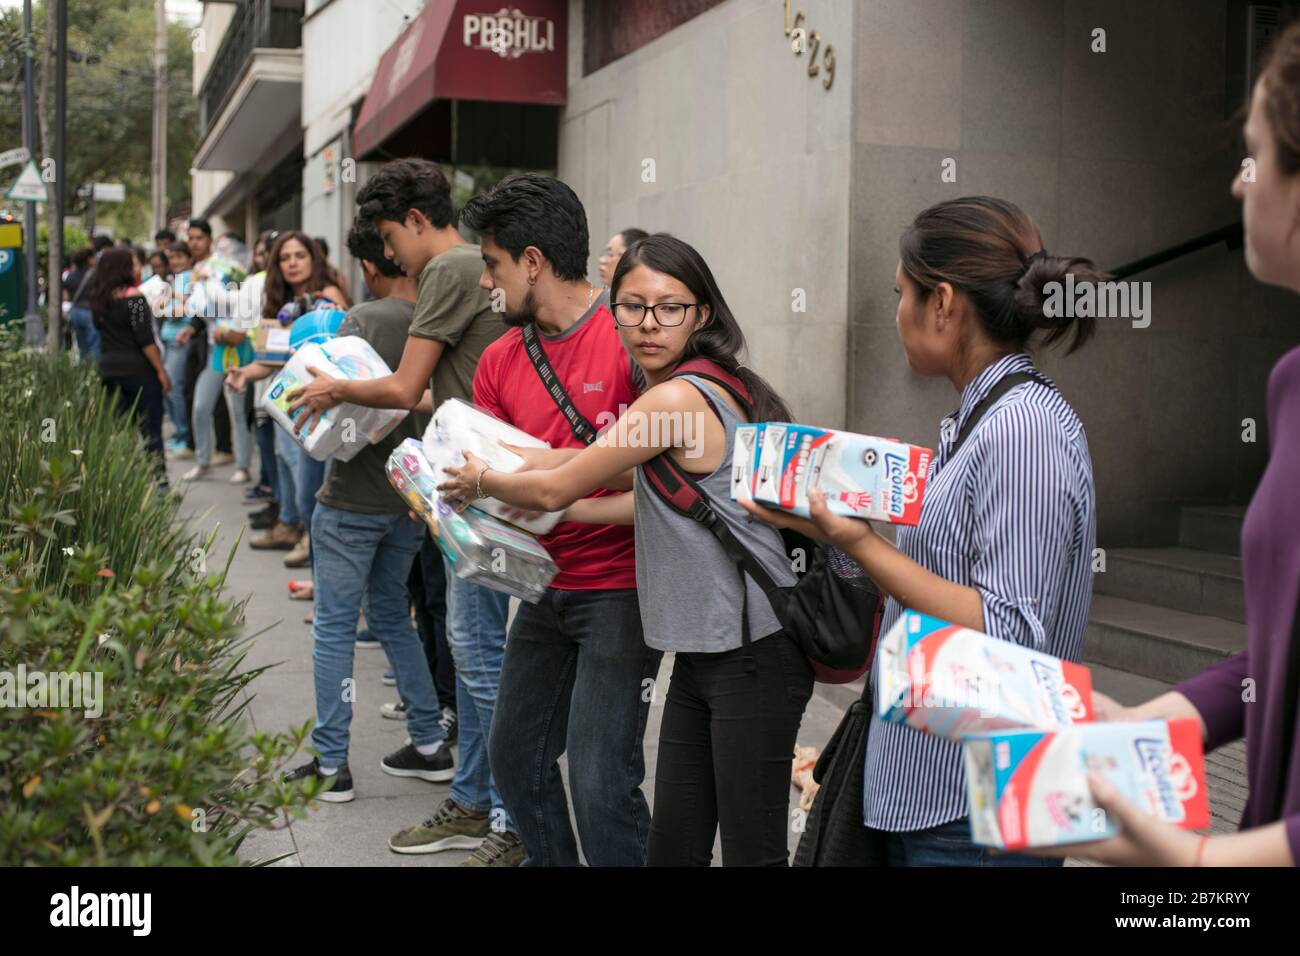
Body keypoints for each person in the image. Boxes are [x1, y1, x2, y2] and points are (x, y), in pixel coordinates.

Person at [746, 196, 1099, 867]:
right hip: (938, 785)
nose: (897, 312)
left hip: (983, 804)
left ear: (942, 303)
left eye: (901, 294)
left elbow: (1009, 630)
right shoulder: (980, 415)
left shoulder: (1024, 428)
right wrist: (819, 524)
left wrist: (858, 542)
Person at [439, 233, 812, 865]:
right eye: (632, 308)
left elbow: (565, 478)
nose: (647, 325)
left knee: (751, 851)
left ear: (702, 316)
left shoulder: (676, 397)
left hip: (754, 650)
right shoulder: (701, 387)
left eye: (669, 308)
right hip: (704, 652)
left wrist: (483, 482)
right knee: (674, 845)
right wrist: (544, 492)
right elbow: (628, 490)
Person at [1031, 23, 1300, 869]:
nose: (1235, 180)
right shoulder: (1292, 383)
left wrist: (1194, 869)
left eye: (1254, 156)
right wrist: (1156, 718)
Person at [286, 158, 518, 865]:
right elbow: (428, 394)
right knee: (470, 650)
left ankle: (503, 813)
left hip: (470, 484)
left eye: (391, 235)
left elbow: (407, 385)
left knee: (481, 660)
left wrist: (335, 394)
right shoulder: (471, 267)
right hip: (465, 478)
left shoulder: (449, 267)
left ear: (418, 221)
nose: (389, 254)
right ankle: (475, 798)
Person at [435, 173, 661, 866]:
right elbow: (502, 483)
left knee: (600, 778)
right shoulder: (500, 360)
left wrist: (554, 475)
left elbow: (668, 464)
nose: (486, 285)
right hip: (543, 587)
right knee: (515, 757)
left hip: (621, 589)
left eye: (493, 266)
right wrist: (450, 503)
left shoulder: (632, 338)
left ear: (532, 261)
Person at [280, 218, 451, 801]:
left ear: (371, 266)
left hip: (351, 498)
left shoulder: (362, 323)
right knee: (390, 620)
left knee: (332, 628)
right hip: (407, 501)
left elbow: (324, 413)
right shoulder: (441, 323)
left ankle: (332, 764)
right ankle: (429, 743)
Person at [226, 232, 347, 555]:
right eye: (285, 257)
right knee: (292, 474)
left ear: (313, 258)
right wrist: (243, 374)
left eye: (300, 256)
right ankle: (304, 536)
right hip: (288, 404)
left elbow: (347, 350)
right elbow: (270, 360)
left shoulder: (330, 294)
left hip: (325, 403)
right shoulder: (277, 300)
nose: (292, 263)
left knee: (316, 486)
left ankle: (314, 544)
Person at [89, 247, 171, 483]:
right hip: (139, 372)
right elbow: (145, 339)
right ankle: (159, 482)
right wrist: (161, 371)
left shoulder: (98, 299)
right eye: (132, 264)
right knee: (150, 430)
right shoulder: (134, 298)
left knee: (119, 430)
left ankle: (122, 482)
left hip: (109, 371)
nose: (137, 268)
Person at [158, 242, 195, 458]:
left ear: (190, 259)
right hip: (168, 340)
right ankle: (179, 434)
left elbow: (185, 309)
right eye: (172, 258)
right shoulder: (174, 280)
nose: (176, 262)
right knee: (168, 389)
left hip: (180, 341)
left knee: (174, 389)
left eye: (180, 257)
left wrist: (171, 300)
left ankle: (184, 436)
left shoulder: (191, 279)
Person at [63, 248, 99, 363]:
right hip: (90, 312)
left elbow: (66, 297)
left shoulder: (70, 275)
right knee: (95, 345)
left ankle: (85, 370)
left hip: (75, 312)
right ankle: (95, 373)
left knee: (82, 345)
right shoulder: (95, 274)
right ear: (89, 259)